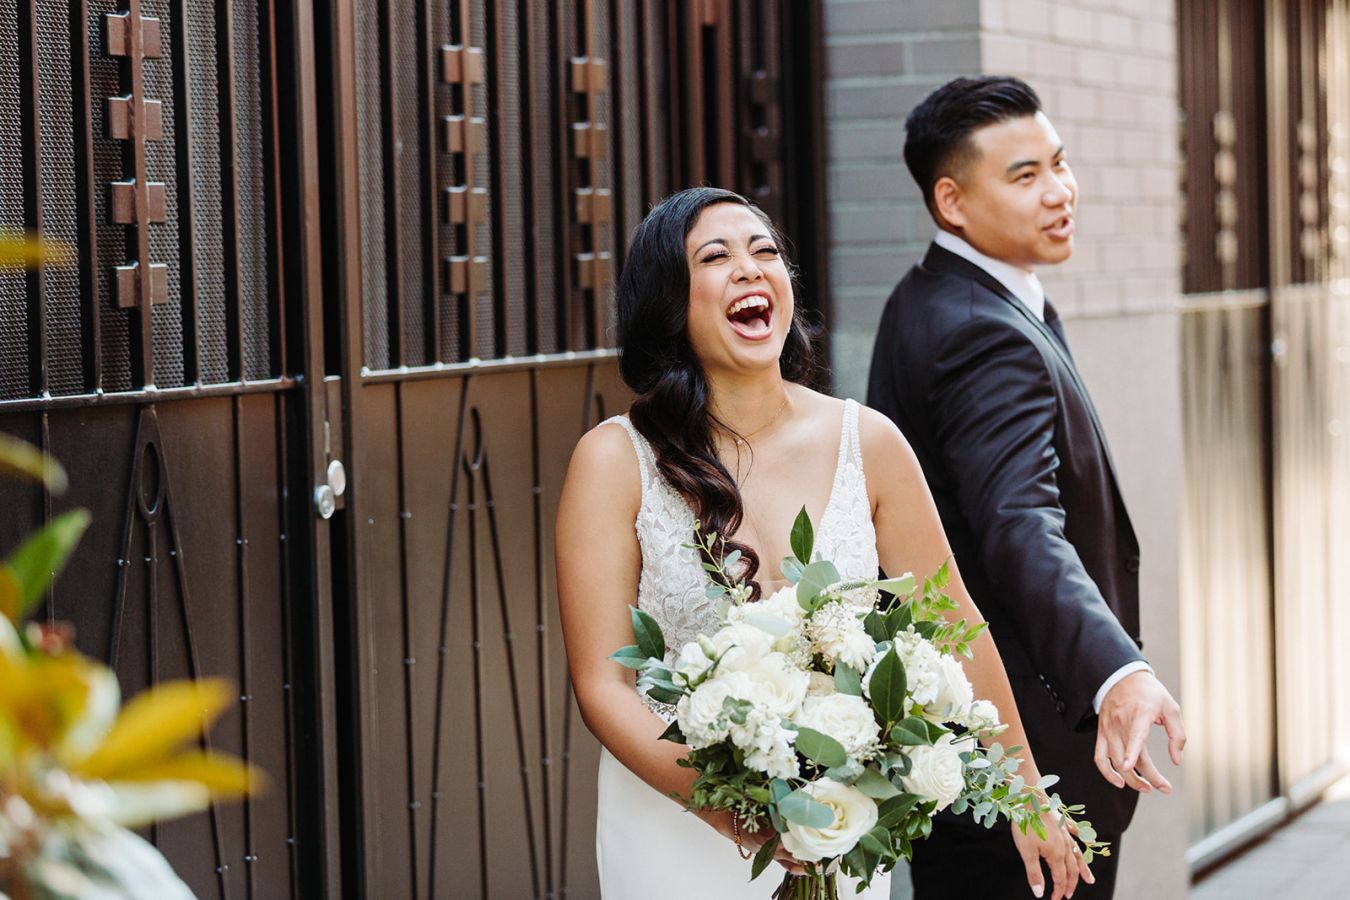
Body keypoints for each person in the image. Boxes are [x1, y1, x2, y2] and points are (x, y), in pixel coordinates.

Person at [557, 187, 1091, 900]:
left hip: (837, 823)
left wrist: (1025, 794)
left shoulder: (868, 442)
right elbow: (602, 685)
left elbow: (953, 621)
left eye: (765, 251)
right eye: (715, 257)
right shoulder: (614, 460)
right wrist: (734, 811)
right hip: (673, 823)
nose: (750, 268)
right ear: (669, 302)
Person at [866, 76, 1187, 899]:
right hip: (1026, 766)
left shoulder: (928, 298)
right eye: (1025, 175)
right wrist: (1115, 671)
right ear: (952, 201)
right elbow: (1019, 526)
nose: (1060, 191)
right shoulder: (981, 332)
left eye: (1060, 163)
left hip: (976, 756)